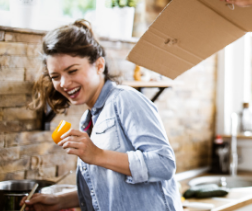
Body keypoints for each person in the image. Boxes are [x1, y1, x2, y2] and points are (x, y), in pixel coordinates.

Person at [24, 20, 182, 211]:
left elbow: (164, 164)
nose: (64, 83)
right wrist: (60, 201)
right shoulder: (89, 119)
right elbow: (110, 188)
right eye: (55, 76)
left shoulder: (125, 100)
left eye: (72, 70)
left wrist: (97, 155)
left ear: (99, 65)